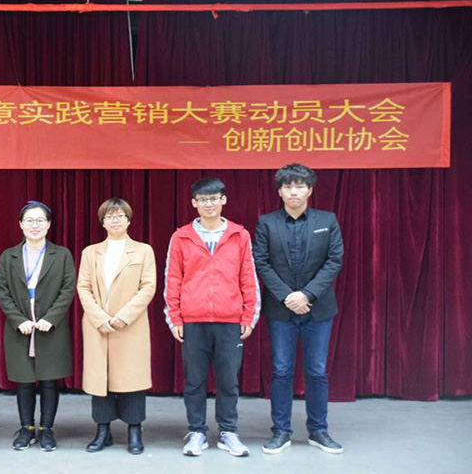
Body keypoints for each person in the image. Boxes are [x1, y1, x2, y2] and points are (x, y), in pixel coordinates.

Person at [164, 177, 260, 458]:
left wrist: (249, 315)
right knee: (194, 380)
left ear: (223, 200)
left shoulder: (239, 235)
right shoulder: (181, 237)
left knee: (228, 380)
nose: (209, 204)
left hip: (230, 320)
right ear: (194, 203)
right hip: (193, 320)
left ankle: (228, 432)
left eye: (214, 198)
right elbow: (173, 278)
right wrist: (175, 318)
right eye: (203, 199)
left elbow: (248, 277)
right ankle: (197, 432)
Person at [253, 163, 344, 455]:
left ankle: (318, 431)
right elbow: (261, 262)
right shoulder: (266, 223)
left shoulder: (327, 220)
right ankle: (281, 431)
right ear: (279, 192)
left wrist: (307, 294)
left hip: (318, 308)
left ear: (310, 190)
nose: (294, 192)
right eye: (288, 186)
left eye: (300, 186)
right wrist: (287, 297)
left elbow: (334, 261)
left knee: (317, 371)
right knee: (281, 370)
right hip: (281, 310)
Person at [77, 197, 156, 455]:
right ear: (103, 222)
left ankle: (135, 430)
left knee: (132, 378)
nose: (115, 220)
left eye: (120, 215)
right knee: (101, 379)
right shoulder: (90, 252)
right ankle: (103, 431)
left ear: (129, 220)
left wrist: (124, 316)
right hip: (98, 325)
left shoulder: (143, 251)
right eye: (110, 216)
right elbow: (83, 287)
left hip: (130, 326)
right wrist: (99, 318)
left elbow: (148, 287)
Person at [0, 201, 76, 452]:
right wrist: (18, 320)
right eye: (29, 220)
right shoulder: (9, 256)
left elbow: (68, 289)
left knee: (50, 380)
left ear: (49, 224)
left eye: (40, 220)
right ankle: (26, 428)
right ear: (21, 224)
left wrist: (51, 318)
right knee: (24, 381)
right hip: (20, 327)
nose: (35, 225)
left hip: (51, 327)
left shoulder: (62, 255)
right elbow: (2, 291)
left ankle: (46, 429)